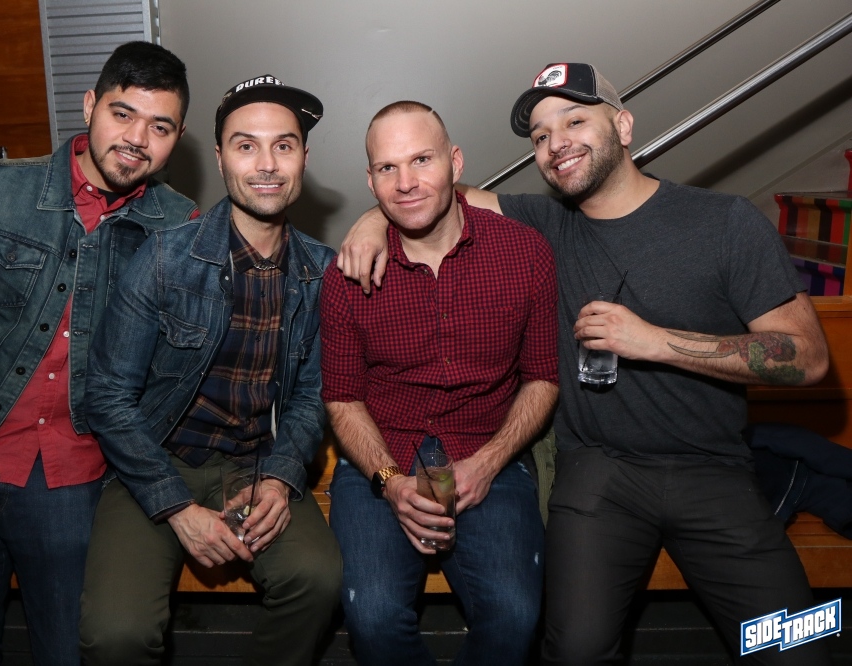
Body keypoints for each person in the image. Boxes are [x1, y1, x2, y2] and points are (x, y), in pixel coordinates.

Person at [337, 63, 832, 665]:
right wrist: (370, 221)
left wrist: (656, 341)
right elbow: (428, 195)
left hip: (715, 472)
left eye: (575, 121)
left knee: (797, 647)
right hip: (599, 474)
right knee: (572, 649)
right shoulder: (545, 224)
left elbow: (807, 357)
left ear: (623, 126)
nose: (557, 143)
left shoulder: (724, 220)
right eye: (541, 135)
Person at [0, 41, 196, 666]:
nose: (137, 139)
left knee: (69, 652)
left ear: (178, 138)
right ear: (90, 105)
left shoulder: (180, 227)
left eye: (160, 126)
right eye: (122, 113)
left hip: (75, 475)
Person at [79, 74, 342, 666]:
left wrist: (281, 477)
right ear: (221, 158)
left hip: (257, 463)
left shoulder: (323, 274)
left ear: (304, 158)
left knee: (317, 578)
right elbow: (109, 396)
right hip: (156, 460)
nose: (267, 164)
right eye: (246, 146)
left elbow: (311, 396)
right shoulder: (165, 258)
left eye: (284, 145)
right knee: (116, 635)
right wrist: (174, 505)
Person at [321, 101, 558, 665]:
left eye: (421, 160)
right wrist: (389, 482)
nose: (405, 183)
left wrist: (491, 462)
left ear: (455, 162)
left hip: (487, 447)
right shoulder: (347, 275)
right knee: (372, 617)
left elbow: (543, 378)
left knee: (514, 615)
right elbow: (343, 398)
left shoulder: (524, 252)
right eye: (388, 167)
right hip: (383, 452)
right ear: (371, 181)